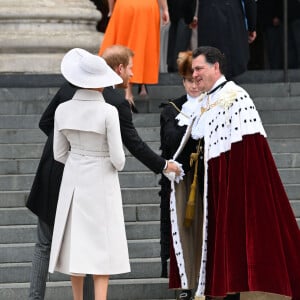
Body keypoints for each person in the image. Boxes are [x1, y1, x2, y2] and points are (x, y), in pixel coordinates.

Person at [26, 44, 180, 299]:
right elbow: (131, 145)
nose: (131, 74)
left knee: (48, 243)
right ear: (117, 69)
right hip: (93, 177)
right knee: (91, 244)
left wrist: (72, 147)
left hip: (56, 172)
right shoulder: (115, 102)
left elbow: (46, 123)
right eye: (130, 68)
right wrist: (163, 165)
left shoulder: (66, 91)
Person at [170, 46, 300, 299]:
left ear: (215, 67)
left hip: (232, 182)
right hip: (211, 182)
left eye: (199, 69)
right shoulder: (205, 100)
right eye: (192, 70)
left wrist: (235, 187)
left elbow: (250, 150)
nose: (194, 75)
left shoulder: (235, 96)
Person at [47, 48, 128, 300]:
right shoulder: (108, 112)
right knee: (101, 247)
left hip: (74, 179)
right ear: (101, 83)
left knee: (76, 247)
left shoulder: (62, 110)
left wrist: (79, 159)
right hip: (102, 180)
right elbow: (119, 159)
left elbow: (59, 154)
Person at [159, 51, 204, 300]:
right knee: (185, 230)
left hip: (208, 178)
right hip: (182, 180)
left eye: (197, 79)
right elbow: (167, 147)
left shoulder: (216, 104)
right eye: (188, 80)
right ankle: (188, 284)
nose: (194, 85)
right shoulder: (172, 108)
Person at [98, 0, 170, 104]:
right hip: (147, 7)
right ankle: (142, 86)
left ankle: (128, 92)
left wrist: (111, 9)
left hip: (125, 5)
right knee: (143, 45)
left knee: (124, 44)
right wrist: (165, 9)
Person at [197, 0, 257, 79]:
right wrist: (252, 26)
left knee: (209, 61)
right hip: (232, 15)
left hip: (208, 15)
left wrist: (188, 17)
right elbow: (249, 2)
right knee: (230, 64)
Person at [166, 0, 197, 72]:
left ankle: (171, 66)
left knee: (173, 41)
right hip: (185, 16)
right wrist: (190, 17)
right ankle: (177, 67)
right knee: (181, 43)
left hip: (174, 14)